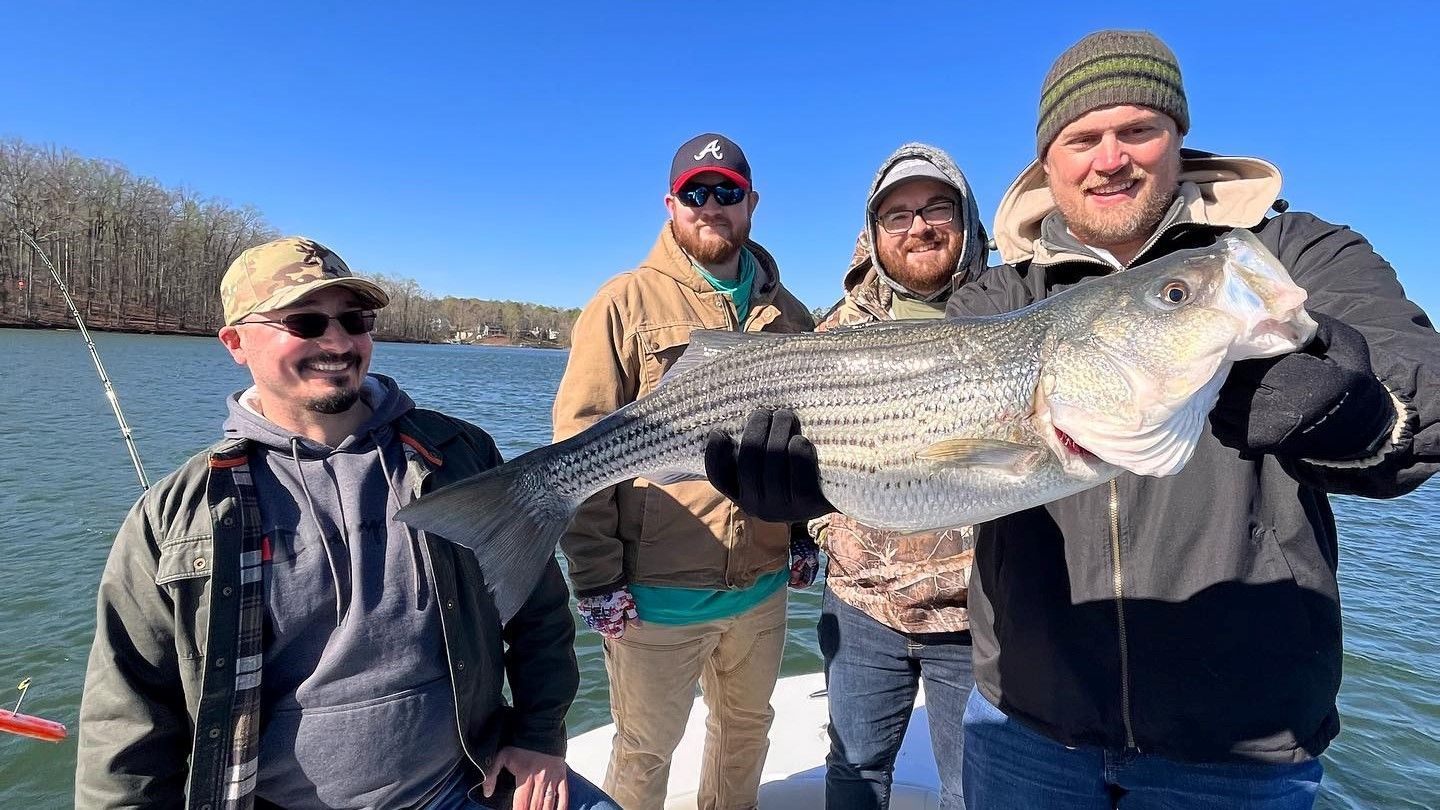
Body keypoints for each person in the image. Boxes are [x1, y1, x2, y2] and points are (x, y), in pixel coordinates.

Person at [709, 30, 1439, 809]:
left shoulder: (1286, 255)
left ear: (1179, 137)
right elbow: (932, 461)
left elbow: (1421, 397)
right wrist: (818, 489)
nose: (1110, 157)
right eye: (1081, 138)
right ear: (1046, 161)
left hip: (1235, 739)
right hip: (1027, 721)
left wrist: (1361, 416)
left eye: (1138, 130)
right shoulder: (998, 297)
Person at [75, 237, 617, 810]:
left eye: (354, 319)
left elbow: (537, 609)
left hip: (470, 780)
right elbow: (128, 718)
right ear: (235, 342)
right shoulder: (175, 515)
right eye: (304, 322)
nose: (337, 341)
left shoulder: (460, 454)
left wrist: (537, 737)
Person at [553, 133, 817, 810]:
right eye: (695, 193)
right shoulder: (621, 302)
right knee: (643, 753)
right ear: (671, 205)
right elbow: (578, 452)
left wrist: (801, 534)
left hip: (760, 588)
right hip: (654, 596)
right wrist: (596, 577)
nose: (711, 206)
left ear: (751, 203)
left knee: (746, 735)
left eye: (726, 192)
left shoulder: (792, 317)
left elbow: (809, 445)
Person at [811, 143, 986, 809]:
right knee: (855, 774)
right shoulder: (833, 332)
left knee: (972, 789)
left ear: (965, 221)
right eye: (897, 215)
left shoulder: (1009, 309)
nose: (919, 226)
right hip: (862, 606)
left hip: (981, 613)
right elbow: (803, 464)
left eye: (937, 207)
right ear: (873, 233)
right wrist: (825, 528)